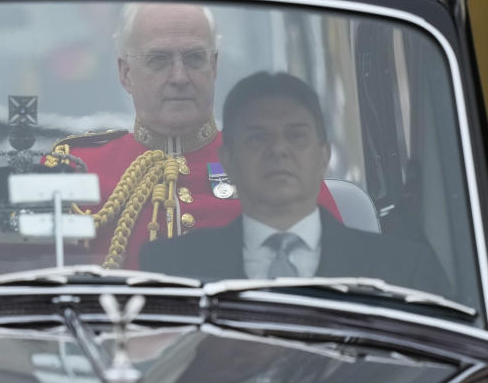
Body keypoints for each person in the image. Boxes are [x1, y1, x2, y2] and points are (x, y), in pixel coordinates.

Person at [45, 3, 340, 270]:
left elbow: (342, 280)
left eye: (194, 58)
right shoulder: (71, 170)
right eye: (158, 60)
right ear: (125, 73)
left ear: (213, 66)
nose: (179, 77)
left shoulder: (281, 166)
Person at [139, 72, 449, 294]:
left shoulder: (403, 272)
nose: (278, 149)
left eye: (296, 135)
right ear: (229, 162)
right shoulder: (170, 270)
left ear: (323, 155)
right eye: (258, 137)